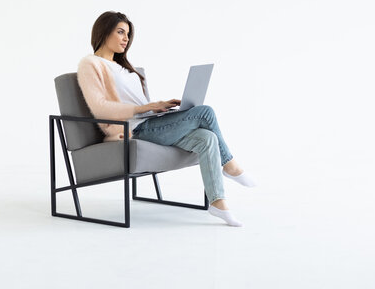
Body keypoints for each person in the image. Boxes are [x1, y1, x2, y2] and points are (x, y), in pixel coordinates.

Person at [77, 11, 256, 227]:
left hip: (150, 121)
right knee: (205, 112)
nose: (126, 39)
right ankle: (230, 166)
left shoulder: (126, 68)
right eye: (121, 32)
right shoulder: (91, 64)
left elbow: (138, 104)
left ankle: (218, 203)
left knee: (207, 137)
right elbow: (100, 108)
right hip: (133, 130)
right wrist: (144, 108)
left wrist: (158, 107)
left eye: (128, 34)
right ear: (104, 31)